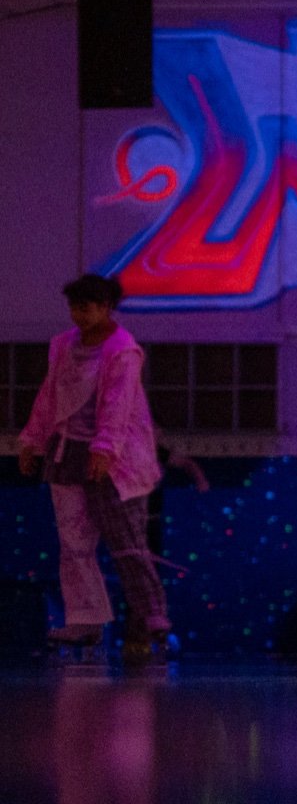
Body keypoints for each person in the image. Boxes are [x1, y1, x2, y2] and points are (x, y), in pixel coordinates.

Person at [14, 273, 170, 662]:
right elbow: (49, 398)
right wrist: (32, 441)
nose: (79, 315)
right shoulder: (64, 346)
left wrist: (104, 449)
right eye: (74, 307)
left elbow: (119, 404)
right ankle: (85, 620)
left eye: (86, 307)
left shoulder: (122, 350)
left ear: (105, 307)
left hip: (116, 460)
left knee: (127, 545)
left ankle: (151, 617)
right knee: (74, 543)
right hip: (68, 453)